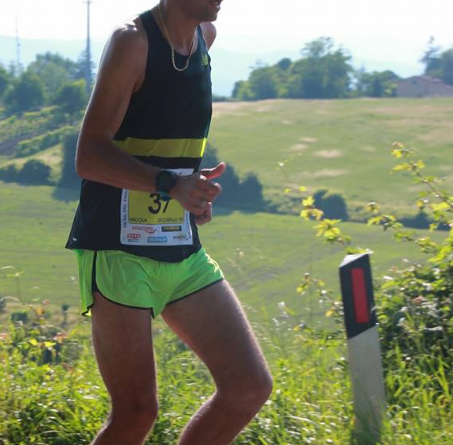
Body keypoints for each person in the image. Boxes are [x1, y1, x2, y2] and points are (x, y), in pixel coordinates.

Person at [65, 1, 273, 444]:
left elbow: (168, 149)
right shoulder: (133, 41)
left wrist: (191, 192)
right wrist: (169, 184)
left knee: (248, 387)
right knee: (136, 413)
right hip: (118, 249)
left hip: (178, 244)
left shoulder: (204, 38)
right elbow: (90, 155)